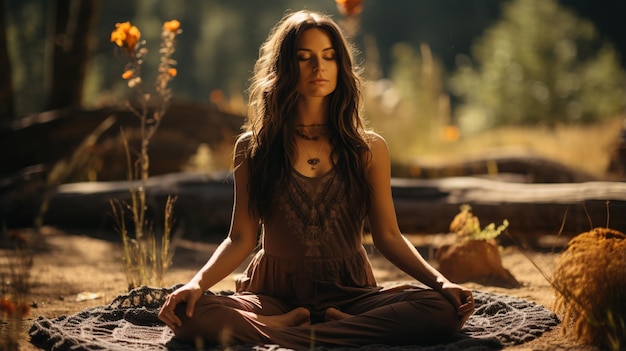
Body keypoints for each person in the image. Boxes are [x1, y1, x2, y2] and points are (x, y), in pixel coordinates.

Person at [158, 9, 474, 349]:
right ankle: (324, 329)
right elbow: (240, 239)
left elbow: (389, 235)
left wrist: (441, 283)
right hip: (273, 296)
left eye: (328, 56)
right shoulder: (254, 148)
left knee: (442, 309)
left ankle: (280, 332)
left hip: (351, 294)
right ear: (283, 68)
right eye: (304, 57)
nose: (318, 67)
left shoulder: (368, 148)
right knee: (190, 312)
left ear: (341, 66)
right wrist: (195, 284)